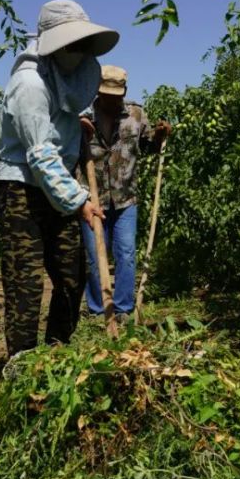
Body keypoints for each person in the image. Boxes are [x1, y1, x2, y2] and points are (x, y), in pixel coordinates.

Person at [0, 0, 118, 358]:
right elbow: (40, 153)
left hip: (58, 186)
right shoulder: (29, 83)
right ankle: (22, 363)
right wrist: (79, 200)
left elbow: (57, 123)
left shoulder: (66, 79)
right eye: (71, 44)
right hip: (21, 189)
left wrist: (73, 127)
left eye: (81, 44)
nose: (77, 52)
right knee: (25, 283)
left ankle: (55, 354)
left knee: (72, 276)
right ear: (53, 44)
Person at [79, 65, 170, 320]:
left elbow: (148, 145)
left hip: (125, 197)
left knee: (126, 253)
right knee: (94, 255)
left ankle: (122, 308)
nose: (110, 100)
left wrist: (159, 136)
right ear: (98, 92)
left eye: (115, 95)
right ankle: (97, 309)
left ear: (123, 92)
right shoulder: (84, 116)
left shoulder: (136, 115)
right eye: (106, 95)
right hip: (92, 197)